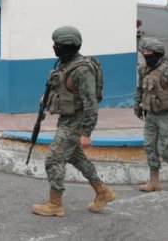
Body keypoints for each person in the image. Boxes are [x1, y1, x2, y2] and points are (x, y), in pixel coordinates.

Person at [31, 26, 114, 217]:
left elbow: (91, 103)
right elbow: (61, 87)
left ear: (69, 46)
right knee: (76, 158)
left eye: (58, 45)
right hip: (66, 119)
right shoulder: (65, 63)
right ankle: (103, 192)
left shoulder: (82, 70)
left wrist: (86, 132)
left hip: (76, 121)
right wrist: (47, 98)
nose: (55, 47)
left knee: (53, 160)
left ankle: (55, 204)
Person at [135, 37, 168, 192]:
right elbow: (140, 89)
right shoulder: (143, 70)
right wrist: (137, 105)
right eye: (144, 52)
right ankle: (154, 181)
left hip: (167, 116)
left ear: (157, 53)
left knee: (165, 149)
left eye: (149, 52)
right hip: (151, 114)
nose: (145, 54)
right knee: (150, 147)